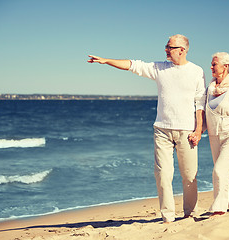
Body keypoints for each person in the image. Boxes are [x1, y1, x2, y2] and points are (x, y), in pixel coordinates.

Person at [88, 34, 206, 223]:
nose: (166, 50)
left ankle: (190, 213)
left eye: (170, 47)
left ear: (182, 50)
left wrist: (199, 129)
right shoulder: (159, 68)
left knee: (189, 175)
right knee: (162, 175)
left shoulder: (196, 71)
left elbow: (200, 103)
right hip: (162, 129)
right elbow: (133, 65)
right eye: (166, 46)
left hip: (186, 130)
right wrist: (107, 60)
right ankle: (167, 216)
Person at [203, 52, 229, 217]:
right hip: (214, 137)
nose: (211, 67)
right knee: (227, 174)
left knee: (219, 171)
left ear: (225, 67)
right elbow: (207, 117)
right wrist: (197, 133)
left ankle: (219, 208)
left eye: (214, 64)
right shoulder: (210, 89)